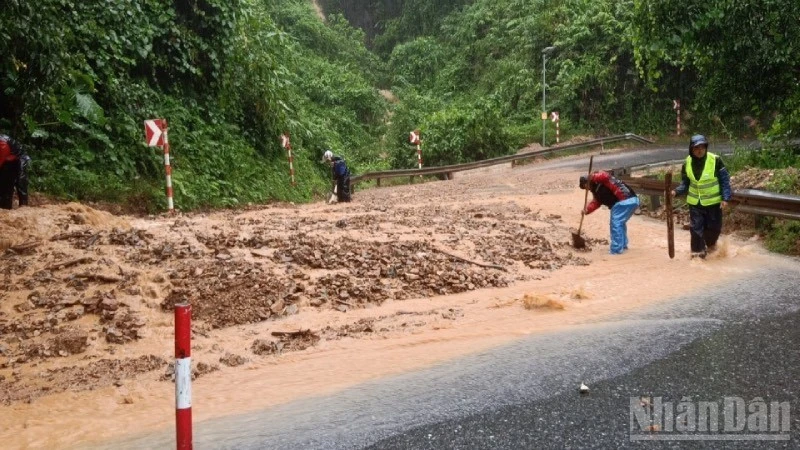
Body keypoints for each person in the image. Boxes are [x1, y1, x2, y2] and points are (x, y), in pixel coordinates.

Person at [671, 134, 732, 258]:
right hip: (695, 203)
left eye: (702, 147)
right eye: (696, 148)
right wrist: (676, 191)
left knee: (714, 229)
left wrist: (725, 198)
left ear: (706, 148)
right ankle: (697, 255)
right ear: (691, 149)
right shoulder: (687, 162)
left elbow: (725, 180)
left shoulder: (715, 160)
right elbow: (685, 183)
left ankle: (710, 247)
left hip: (714, 203)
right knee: (696, 230)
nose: (700, 151)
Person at [580, 170, 640, 254]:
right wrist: (587, 210)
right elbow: (596, 202)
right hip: (631, 201)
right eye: (585, 187)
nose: (587, 188)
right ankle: (623, 245)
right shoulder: (597, 192)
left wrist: (592, 176)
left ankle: (616, 250)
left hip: (624, 200)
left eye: (586, 185)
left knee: (616, 224)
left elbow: (605, 175)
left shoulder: (602, 179)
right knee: (620, 223)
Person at [0, 134, 26, 209]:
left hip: (20, 157)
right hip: (8, 160)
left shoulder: (2, 143)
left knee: (21, 180)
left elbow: (1, 160)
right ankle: (4, 205)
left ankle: (24, 205)